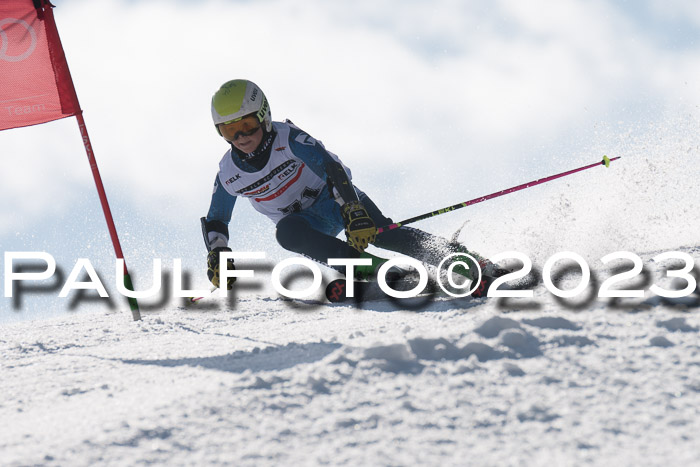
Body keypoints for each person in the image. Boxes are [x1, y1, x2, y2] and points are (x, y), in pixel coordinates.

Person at [202, 79, 502, 298]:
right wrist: (218, 254)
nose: (241, 137)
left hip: (337, 201)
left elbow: (330, 168)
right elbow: (217, 218)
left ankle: (470, 262)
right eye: (229, 130)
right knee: (286, 233)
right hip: (306, 225)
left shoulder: (289, 139)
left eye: (247, 125)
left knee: (385, 234)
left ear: (264, 116)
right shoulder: (229, 173)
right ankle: (369, 271)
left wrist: (352, 210)